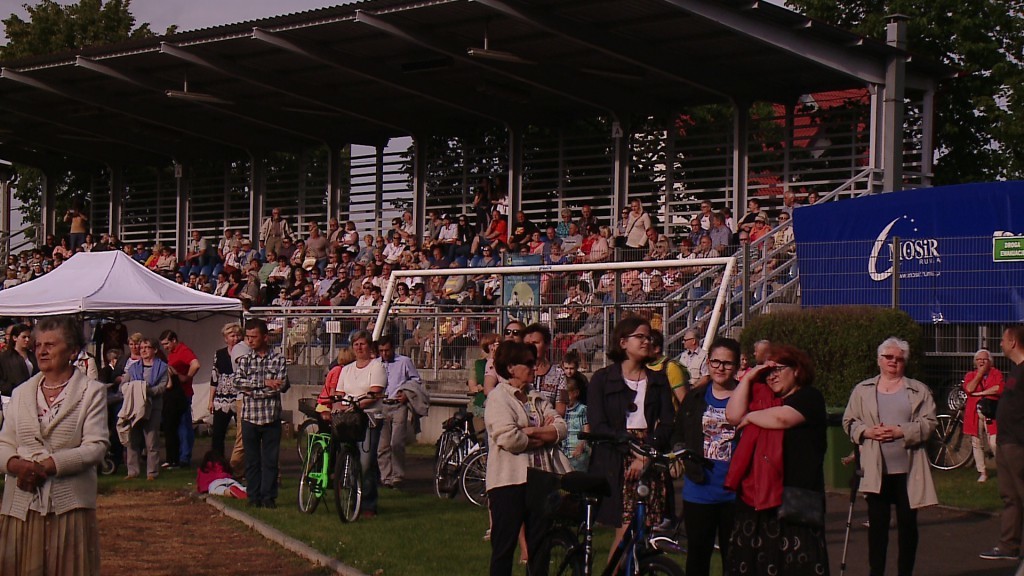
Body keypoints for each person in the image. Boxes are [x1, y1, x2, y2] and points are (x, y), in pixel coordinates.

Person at [0, 315, 108, 575]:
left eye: (50, 345)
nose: (42, 351)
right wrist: (16, 465)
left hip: (69, 506)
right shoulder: (21, 393)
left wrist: (49, 465)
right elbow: (4, 443)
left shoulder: (91, 392)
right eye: (38, 345)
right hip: (21, 504)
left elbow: (96, 446)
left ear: (72, 351)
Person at [724, 344, 829, 575]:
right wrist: (749, 377)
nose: (772, 376)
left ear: (797, 370)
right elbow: (732, 415)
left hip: (794, 503)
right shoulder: (762, 399)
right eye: (767, 372)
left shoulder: (809, 397)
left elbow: (782, 419)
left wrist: (750, 417)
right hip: (756, 502)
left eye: (778, 369)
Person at [843, 337, 936, 576]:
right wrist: (867, 432)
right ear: (879, 360)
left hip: (908, 471)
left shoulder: (919, 390)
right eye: (888, 357)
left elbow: (929, 424)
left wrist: (901, 431)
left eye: (899, 358)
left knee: (908, 527)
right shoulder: (862, 390)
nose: (893, 362)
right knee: (877, 528)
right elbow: (849, 422)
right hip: (876, 472)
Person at [588, 317, 674, 558]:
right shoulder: (602, 379)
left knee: (643, 529)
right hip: (616, 457)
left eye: (649, 337)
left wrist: (646, 455)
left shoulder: (658, 380)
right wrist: (631, 448)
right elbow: (598, 424)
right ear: (623, 342)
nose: (646, 341)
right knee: (626, 531)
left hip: (648, 455)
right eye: (640, 337)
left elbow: (668, 423)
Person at [486, 340, 568, 576]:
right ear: (511, 367)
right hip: (508, 483)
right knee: (504, 547)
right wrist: (544, 434)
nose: (534, 367)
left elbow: (561, 428)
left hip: (541, 480)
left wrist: (531, 431)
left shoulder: (536, 397)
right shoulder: (498, 398)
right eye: (529, 363)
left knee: (540, 548)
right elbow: (509, 438)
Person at [671, 337, 740, 576]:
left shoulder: (747, 397)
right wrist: (680, 454)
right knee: (698, 557)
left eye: (727, 363)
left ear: (736, 366)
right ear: (708, 363)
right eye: (716, 362)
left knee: (735, 559)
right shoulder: (695, 397)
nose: (720, 368)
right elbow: (678, 432)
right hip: (699, 490)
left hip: (735, 492)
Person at [235, 318, 290, 508]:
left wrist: (253, 389)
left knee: (270, 460)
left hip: (270, 417)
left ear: (265, 337)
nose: (250, 341)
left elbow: (280, 386)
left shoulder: (278, 359)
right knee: (252, 461)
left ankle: (268, 497)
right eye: (248, 337)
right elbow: (238, 383)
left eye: (254, 337)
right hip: (250, 417)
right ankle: (253, 496)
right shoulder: (245, 360)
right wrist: (264, 383)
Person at [981, 324, 1024, 561]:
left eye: (1003, 340)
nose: (1000, 344)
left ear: (1013, 342)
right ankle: (1008, 545)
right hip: (1006, 441)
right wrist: (995, 409)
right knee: (1010, 496)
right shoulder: (1015, 371)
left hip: (1018, 443)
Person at [336, 330, 386, 517]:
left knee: (365, 463)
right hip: (349, 419)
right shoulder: (346, 369)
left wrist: (356, 405)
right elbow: (339, 393)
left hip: (368, 419)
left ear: (369, 346)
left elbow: (375, 392)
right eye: (356, 344)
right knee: (348, 460)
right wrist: (339, 405)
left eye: (362, 344)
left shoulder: (377, 366)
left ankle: (368, 504)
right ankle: (351, 499)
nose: (359, 348)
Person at [376, 334, 426, 489]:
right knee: (383, 445)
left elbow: (415, 380)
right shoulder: (376, 363)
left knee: (397, 442)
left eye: (387, 350)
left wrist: (406, 393)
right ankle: (385, 476)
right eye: (381, 351)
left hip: (398, 405)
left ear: (393, 349)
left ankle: (397, 475)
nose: (384, 354)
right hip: (381, 405)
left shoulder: (404, 362)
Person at [123, 337, 169, 480]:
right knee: (132, 440)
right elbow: (123, 385)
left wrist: (145, 390)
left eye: (147, 347)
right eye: (141, 347)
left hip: (153, 407)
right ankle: (133, 472)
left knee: (151, 441)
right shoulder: (133, 368)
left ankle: (152, 472)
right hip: (135, 408)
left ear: (155, 350)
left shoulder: (162, 368)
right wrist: (133, 389)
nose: (143, 350)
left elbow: (162, 387)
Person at [209, 323, 251, 469]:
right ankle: (218, 464)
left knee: (242, 434)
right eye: (232, 336)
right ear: (225, 338)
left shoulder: (245, 353)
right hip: (222, 398)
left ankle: (241, 464)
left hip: (239, 396)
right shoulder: (220, 354)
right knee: (218, 434)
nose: (235, 338)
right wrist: (210, 400)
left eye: (238, 335)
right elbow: (214, 377)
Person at [160, 330, 201, 469]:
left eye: (166, 344)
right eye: (163, 345)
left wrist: (187, 377)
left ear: (174, 340)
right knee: (175, 426)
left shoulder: (183, 350)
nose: (165, 347)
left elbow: (195, 364)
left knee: (184, 426)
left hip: (183, 394)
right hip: (175, 395)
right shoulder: (172, 353)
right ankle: (177, 457)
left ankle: (185, 457)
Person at [963, 348, 1003, 482]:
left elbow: (999, 388)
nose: (981, 362)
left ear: (990, 361)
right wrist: (980, 374)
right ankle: (982, 472)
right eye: (979, 359)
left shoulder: (996, 373)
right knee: (977, 442)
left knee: (994, 442)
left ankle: (1003, 468)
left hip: (991, 411)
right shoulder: (970, 375)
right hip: (974, 413)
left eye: (984, 359)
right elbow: (969, 389)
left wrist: (980, 393)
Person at [523, 324, 567, 416]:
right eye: (527, 344)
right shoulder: (517, 372)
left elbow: (561, 409)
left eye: (535, 343)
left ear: (546, 345)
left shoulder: (559, 374)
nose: (531, 347)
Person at [561, 376, 590, 472]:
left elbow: (586, 430)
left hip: (578, 452)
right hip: (565, 452)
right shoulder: (562, 410)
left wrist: (581, 445)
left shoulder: (582, 409)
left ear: (576, 393)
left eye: (567, 395)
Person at [0, 324, 37, 396]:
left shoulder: (33, 356)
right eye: (24, 337)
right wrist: (10, 389)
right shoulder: (5, 357)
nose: (27, 340)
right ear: (15, 338)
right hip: (12, 395)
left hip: (31, 394)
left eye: (28, 337)